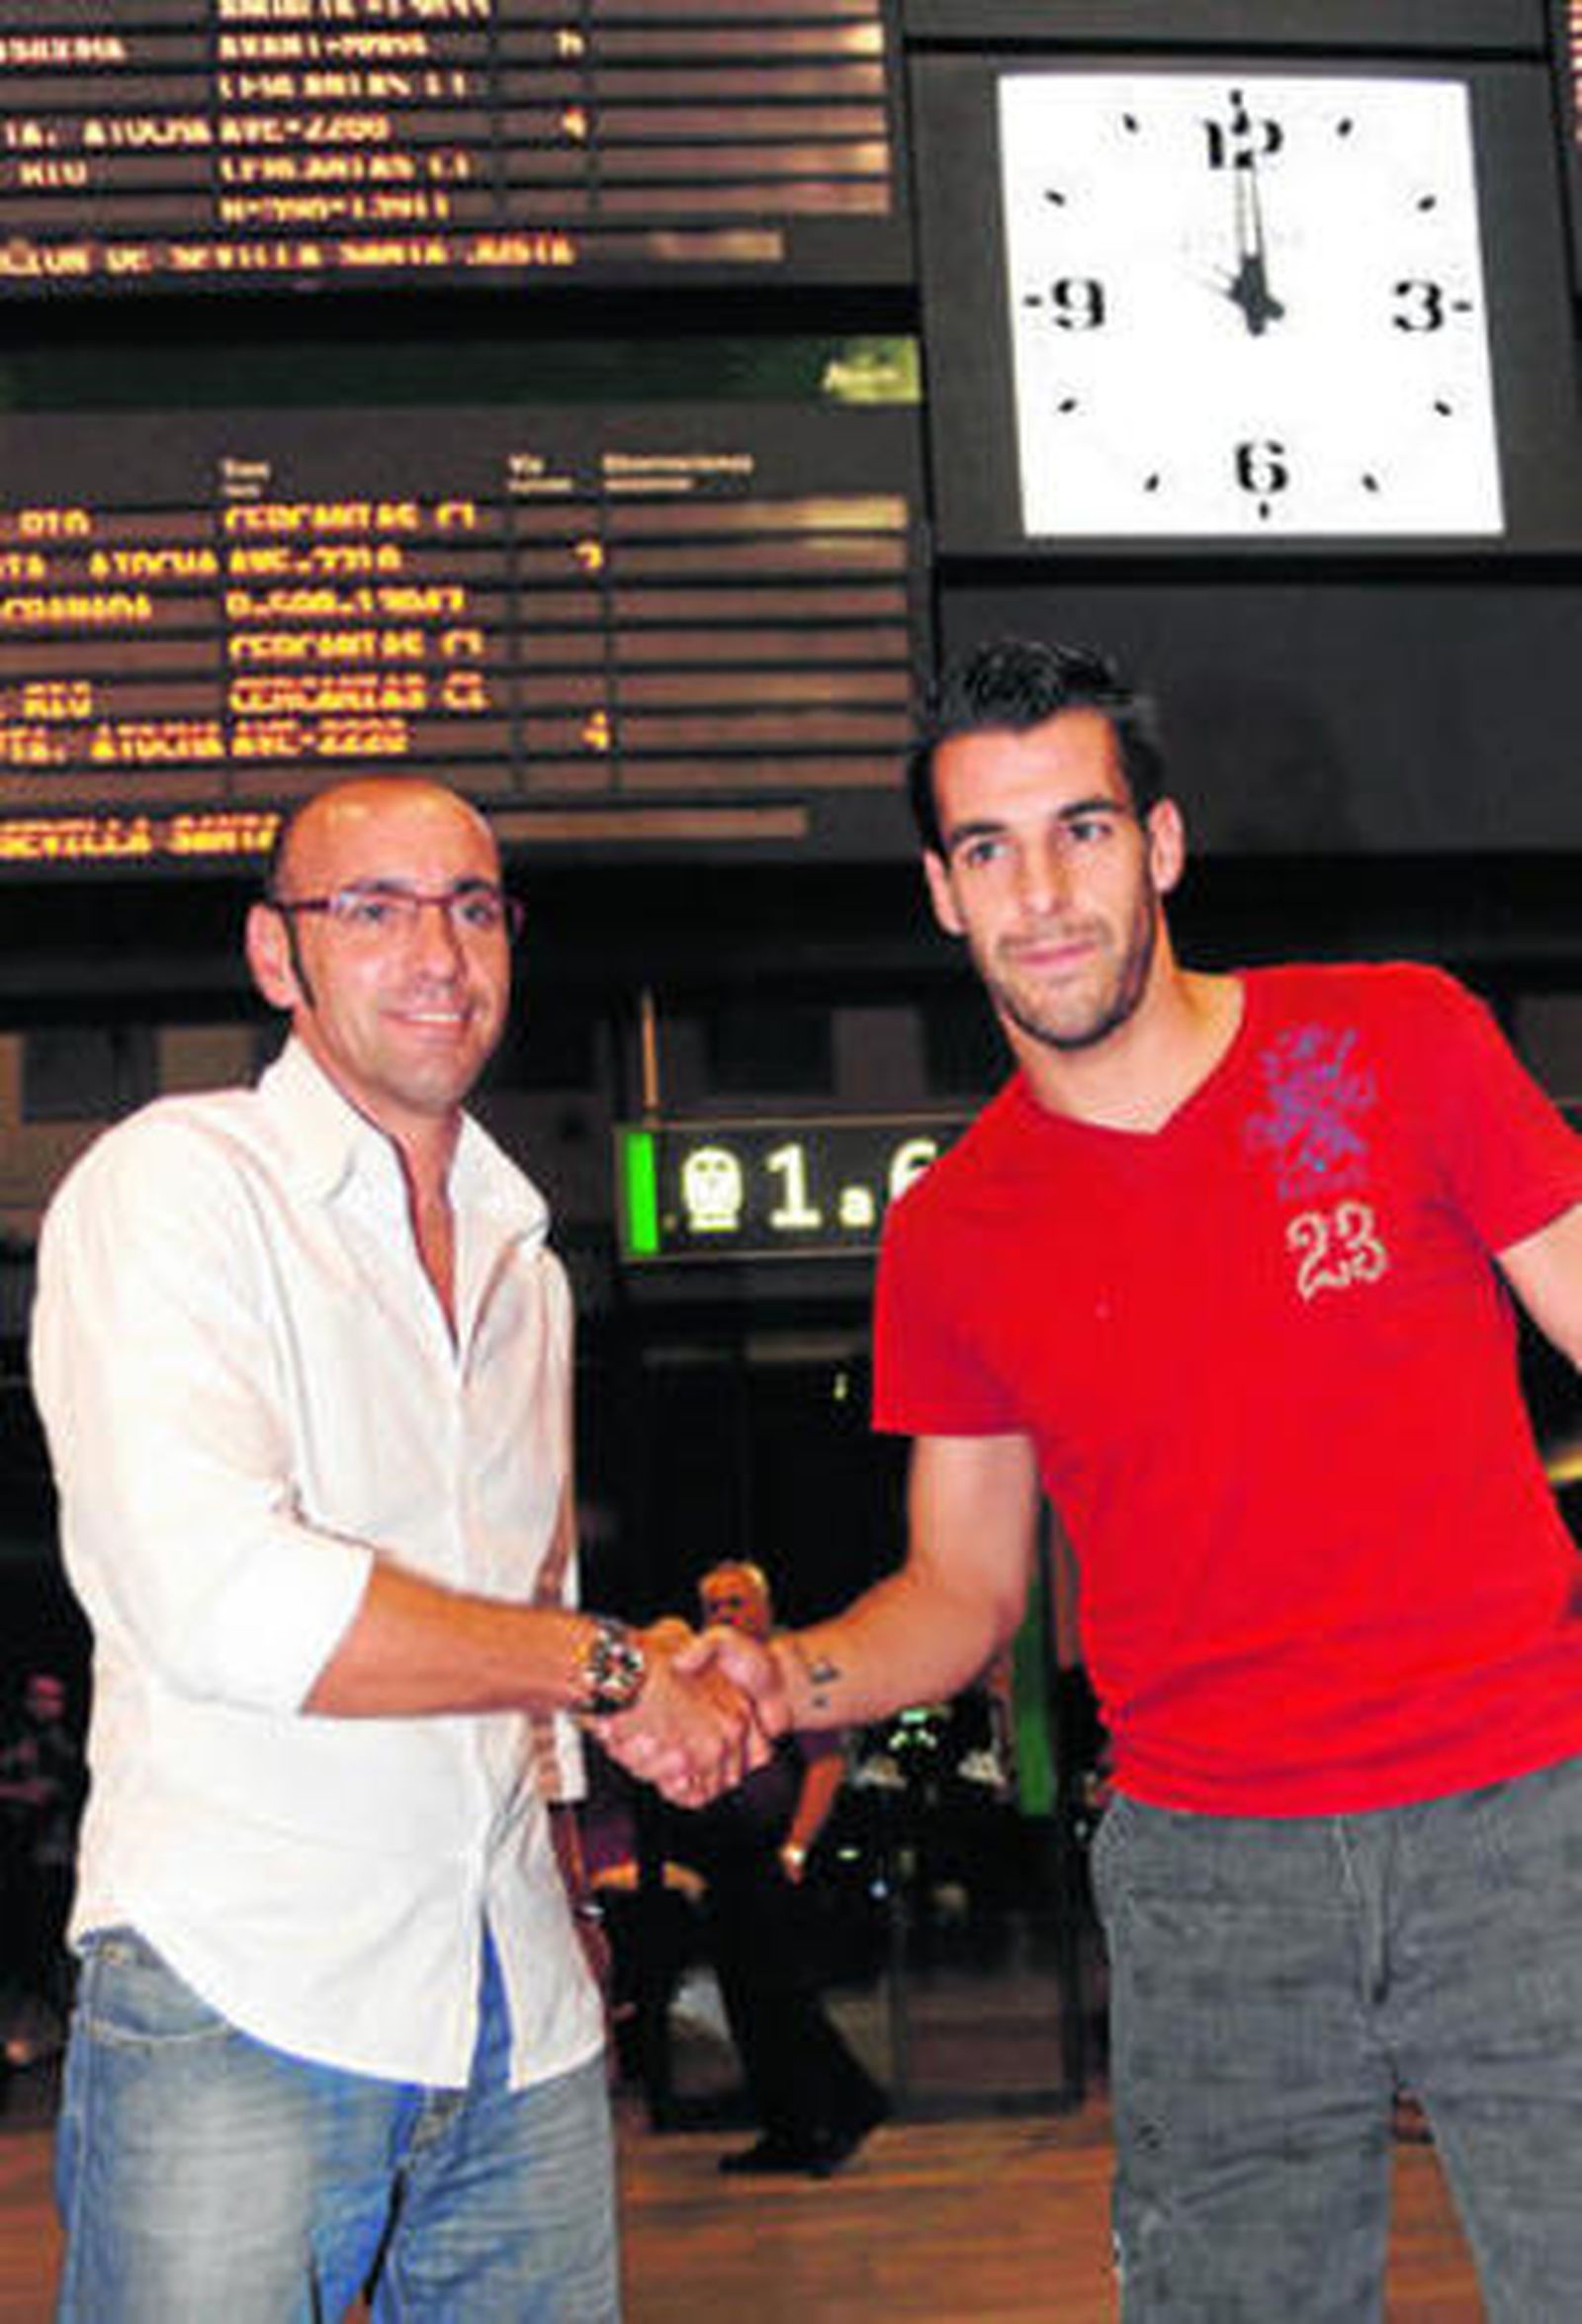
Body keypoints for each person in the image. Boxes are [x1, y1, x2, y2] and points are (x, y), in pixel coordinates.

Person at [685, 637, 1582, 2318]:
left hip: (1529, 1831)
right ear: (940, 894)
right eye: (987, 848)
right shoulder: (954, 1231)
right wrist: (787, 1672)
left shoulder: (1389, 1043)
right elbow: (961, 1590)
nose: (1041, 891)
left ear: (1161, 846)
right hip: (1212, 1886)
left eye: (1082, 829)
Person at [29, 774, 760, 2322]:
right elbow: (220, 1597)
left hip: (519, 2007)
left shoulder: (521, 1257)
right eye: (373, 907)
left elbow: (529, 1593)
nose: (441, 950)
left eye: (474, 906)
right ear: (274, 956)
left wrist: (566, 1875)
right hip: (246, 1986)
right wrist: (617, 1671)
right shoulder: (175, 1187)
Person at [664, 1561, 887, 2177]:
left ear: (762, 1609)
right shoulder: (707, 1680)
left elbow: (825, 1764)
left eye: (736, 1604)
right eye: (714, 1607)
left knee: (783, 1997)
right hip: (727, 1861)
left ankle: (845, 2109)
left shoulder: (786, 1672)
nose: (725, 1617)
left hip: (773, 1860)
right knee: (749, 2000)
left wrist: (795, 1847)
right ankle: (788, 2130)